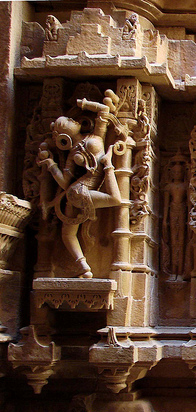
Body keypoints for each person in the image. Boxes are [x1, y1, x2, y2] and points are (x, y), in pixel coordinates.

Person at [37, 93, 122, 278]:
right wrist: (51, 165)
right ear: (64, 138)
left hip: (80, 191)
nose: (70, 119)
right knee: (116, 199)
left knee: (68, 233)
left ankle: (84, 268)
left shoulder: (94, 134)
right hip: (79, 191)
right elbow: (65, 183)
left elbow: (104, 110)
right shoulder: (73, 153)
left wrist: (84, 104)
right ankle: (84, 267)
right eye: (66, 121)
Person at [163, 156, 188, 281]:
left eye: (180, 172)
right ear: (171, 173)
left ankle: (181, 272)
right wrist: (164, 221)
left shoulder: (185, 186)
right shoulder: (169, 187)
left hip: (182, 212)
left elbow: (189, 203)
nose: (177, 174)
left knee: (181, 242)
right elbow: (166, 205)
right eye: (175, 172)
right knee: (173, 242)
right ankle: (173, 271)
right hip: (173, 212)